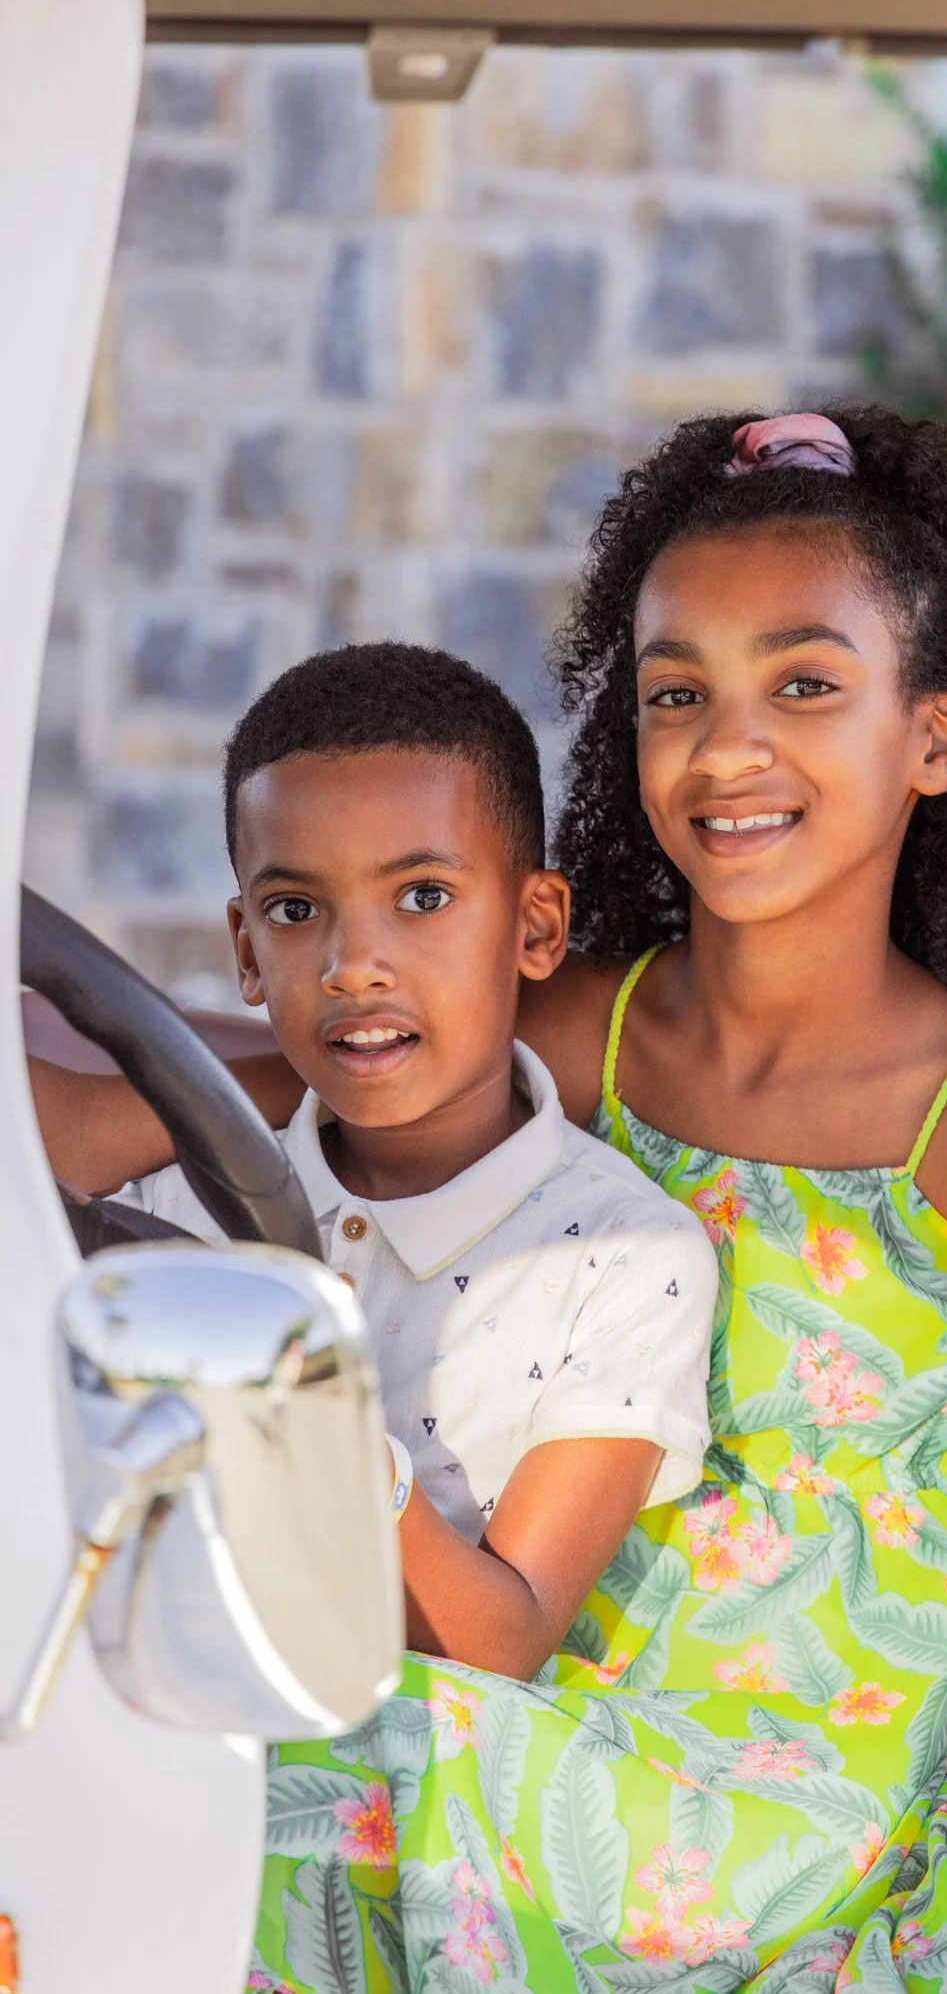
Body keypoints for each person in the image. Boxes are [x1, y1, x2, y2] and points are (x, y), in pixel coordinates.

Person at [36, 412, 947, 1994]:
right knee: (161, 1700)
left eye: (800, 684)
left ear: (930, 737)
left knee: (282, 1760)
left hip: (800, 1789)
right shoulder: (583, 1025)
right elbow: (231, 1078)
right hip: (550, 1683)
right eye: (674, 695)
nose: (726, 747)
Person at [49, 642, 719, 1685]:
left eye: (420, 898)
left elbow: (502, 1638)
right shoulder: (174, 1194)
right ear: (244, 947)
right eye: (294, 910)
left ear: (536, 925)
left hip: (412, 1752)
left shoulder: (625, 1260)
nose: (351, 964)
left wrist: (314, 1428)